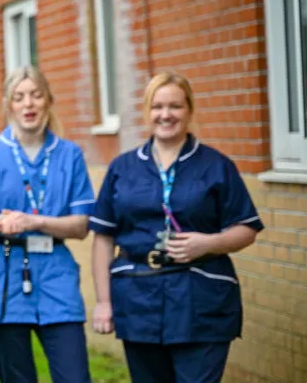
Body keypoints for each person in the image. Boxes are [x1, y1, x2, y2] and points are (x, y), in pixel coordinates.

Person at [89, 72, 263, 383]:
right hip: (138, 297)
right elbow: (103, 238)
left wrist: (207, 243)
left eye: (175, 106)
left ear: (189, 111)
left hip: (201, 298)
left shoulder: (216, 165)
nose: (166, 115)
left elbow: (246, 229)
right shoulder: (122, 168)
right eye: (157, 107)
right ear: (146, 111)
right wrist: (103, 302)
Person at [0, 66, 95, 383]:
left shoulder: (70, 154)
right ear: (8, 104)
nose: (28, 104)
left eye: (36, 95)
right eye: (19, 97)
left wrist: (35, 221)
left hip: (56, 275)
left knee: (74, 376)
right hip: (4, 277)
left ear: (49, 100)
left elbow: (81, 226)